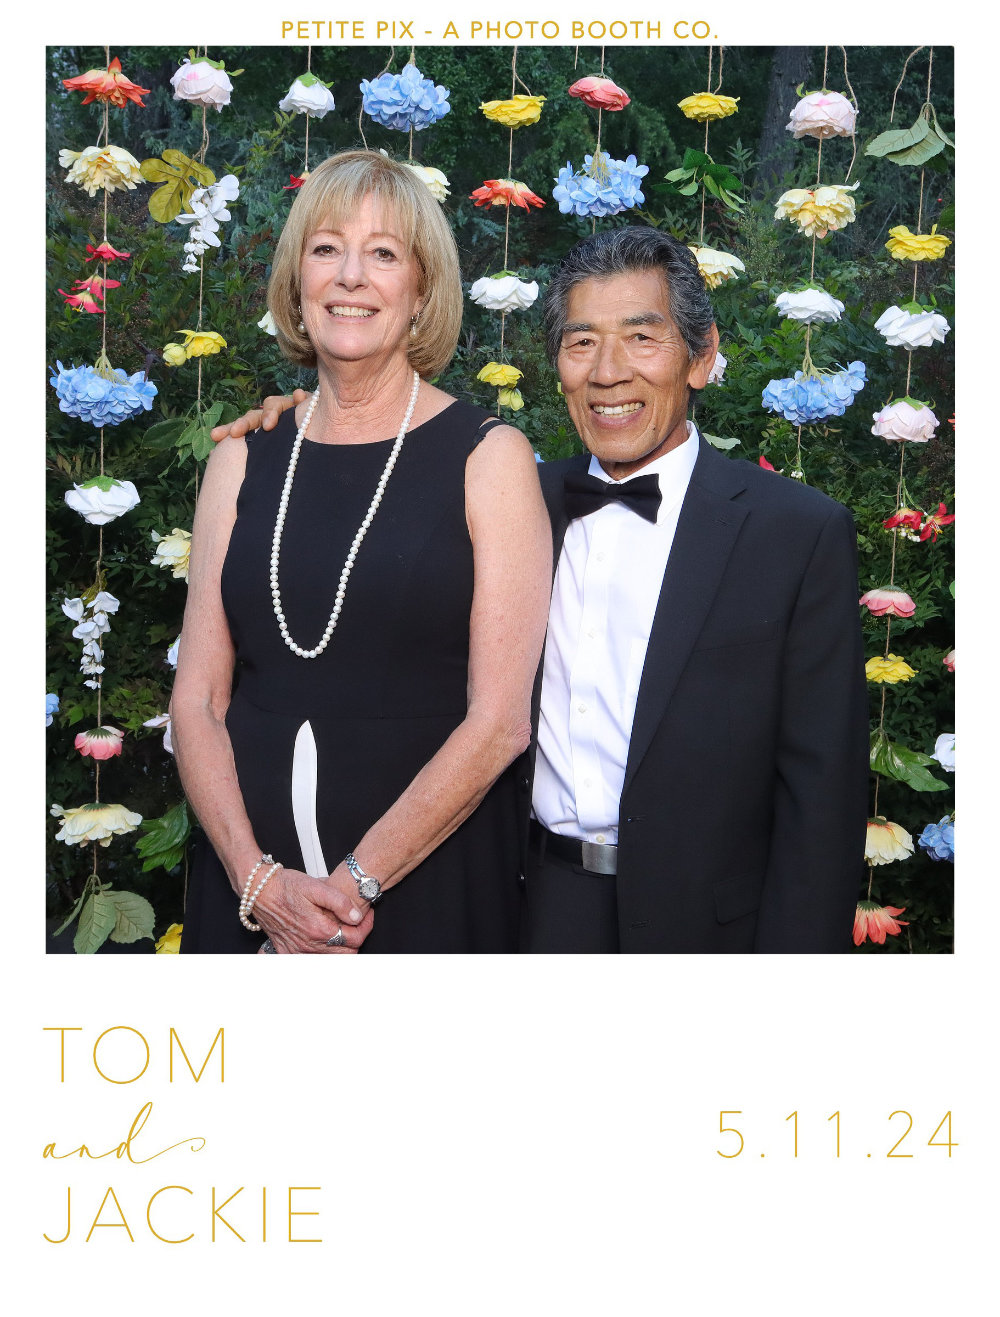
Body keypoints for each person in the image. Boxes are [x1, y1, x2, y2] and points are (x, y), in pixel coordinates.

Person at [223, 225, 870, 954]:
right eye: (581, 342)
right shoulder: (510, 498)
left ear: (700, 356)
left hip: (711, 928)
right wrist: (296, 420)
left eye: (641, 338)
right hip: (528, 912)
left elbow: (823, 803)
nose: (608, 372)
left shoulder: (795, 533)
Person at [171, 150, 550, 954]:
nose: (350, 275)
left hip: (422, 893)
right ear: (297, 283)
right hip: (245, 890)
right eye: (326, 248)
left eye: (382, 253)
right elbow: (197, 701)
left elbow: (500, 723)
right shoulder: (241, 457)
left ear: (422, 291)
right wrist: (259, 884)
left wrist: (345, 895)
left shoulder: (491, 458)